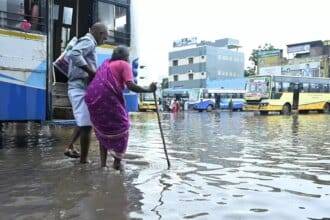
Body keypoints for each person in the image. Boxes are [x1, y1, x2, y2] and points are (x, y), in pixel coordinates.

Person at [85, 46, 157, 170]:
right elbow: (130, 85)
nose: (129, 59)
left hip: (92, 98)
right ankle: (117, 163)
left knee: (103, 130)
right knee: (123, 127)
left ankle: (103, 166)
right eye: (128, 56)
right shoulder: (124, 64)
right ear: (125, 57)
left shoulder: (105, 65)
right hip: (107, 97)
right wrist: (148, 89)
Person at [64, 22, 108, 163]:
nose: (104, 41)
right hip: (78, 87)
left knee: (83, 121)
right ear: (100, 33)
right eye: (105, 38)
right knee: (87, 125)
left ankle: (70, 147)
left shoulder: (88, 42)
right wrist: (91, 72)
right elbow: (74, 54)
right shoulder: (89, 41)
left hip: (81, 87)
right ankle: (83, 162)